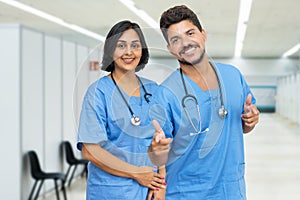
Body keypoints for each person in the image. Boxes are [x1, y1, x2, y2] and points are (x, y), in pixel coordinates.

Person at [148, 5, 260, 199]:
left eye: (190, 33)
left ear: (203, 34)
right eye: (176, 39)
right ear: (170, 49)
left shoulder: (233, 76)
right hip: (185, 192)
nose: (185, 43)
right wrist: (156, 150)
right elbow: (157, 153)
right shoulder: (165, 94)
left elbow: (243, 126)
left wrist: (250, 120)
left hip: (230, 190)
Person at [77, 20, 166, 200]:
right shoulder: (98, 92)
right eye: (121, 45)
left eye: (135, 45)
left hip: (149, 190)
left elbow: (162, 142)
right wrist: (137, 173)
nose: (129, 52)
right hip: (111, 191)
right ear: (111, 50)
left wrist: (161, 183)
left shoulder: (154, 90)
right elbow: (90, 149)